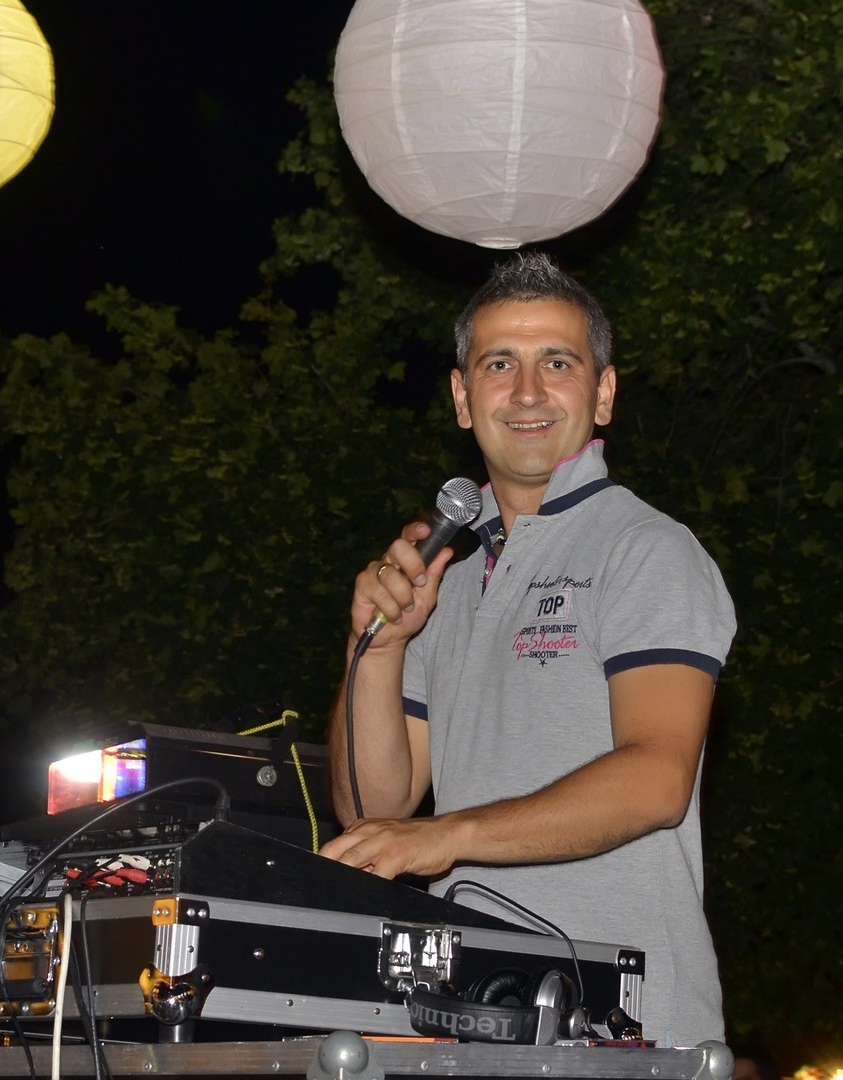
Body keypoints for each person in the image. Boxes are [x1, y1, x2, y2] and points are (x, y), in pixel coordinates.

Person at [321, 252, 737, 1048]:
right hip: (473, 1015)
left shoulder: (646, 548)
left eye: (558, 362)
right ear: (461, 396)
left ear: (603, 393)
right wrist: (373, 649)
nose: (527, 392)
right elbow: (375, 814)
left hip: (627, 1030)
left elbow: (657, 779)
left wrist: (447, 835)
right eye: (499, 364)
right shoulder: (445, 578)